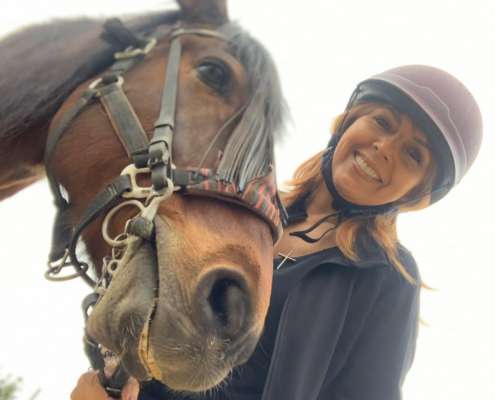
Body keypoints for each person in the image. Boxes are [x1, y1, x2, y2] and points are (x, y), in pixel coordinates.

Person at [71, 64, 483, 400]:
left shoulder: (386, 279)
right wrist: (108, 376)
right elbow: (142, 311)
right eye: (381, 121)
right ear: (347, 122)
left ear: (418, 195)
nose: (385, 147)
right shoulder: (243, 213)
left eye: (413, 154)